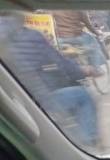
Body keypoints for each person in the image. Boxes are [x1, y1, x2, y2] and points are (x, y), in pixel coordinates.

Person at [0, 12, 99, 148]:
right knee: (83, 96)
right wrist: (84, 70)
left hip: (8, 105)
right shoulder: (30, 36)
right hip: (37, 101)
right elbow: (61, 64)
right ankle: (86, 146)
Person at [52, 10, 103, 74]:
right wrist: (97, 33)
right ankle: (96, 69)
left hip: (60, 39)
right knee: (94, 45)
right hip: (76, 37)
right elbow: (88, 25)